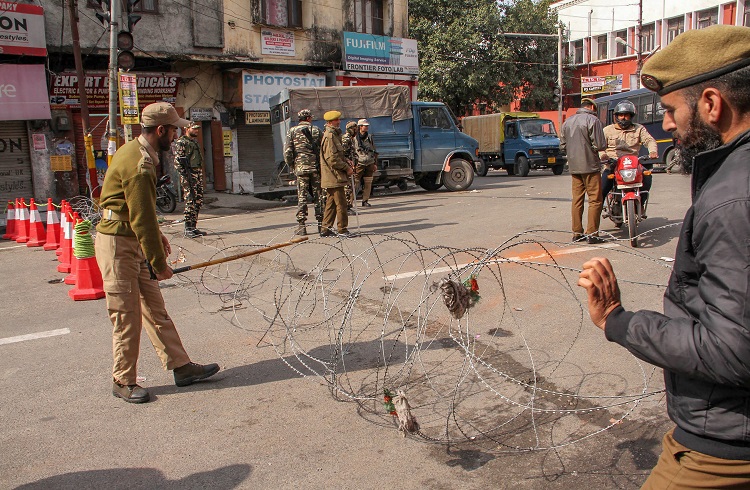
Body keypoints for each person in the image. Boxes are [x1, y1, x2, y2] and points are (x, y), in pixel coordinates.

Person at [578, 25, 750, 488]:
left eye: (672, 110)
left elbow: (733, 350)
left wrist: (617, 320)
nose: (667, 123)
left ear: (712, 104)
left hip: (725, 444)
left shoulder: (733, 199)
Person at [95, 102, 220, 404]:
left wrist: (157, 238)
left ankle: (181, 367)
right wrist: (159, 263)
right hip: (118, 246)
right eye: (174, 129)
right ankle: (122, 380)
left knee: (155, 309)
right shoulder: (140, 164)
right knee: (127, 316)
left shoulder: (140, 153)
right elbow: (139, 217)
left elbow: (141, 212)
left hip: (131, 239)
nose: (177, 135)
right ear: (161, 130)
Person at [559, 97, 607, 244]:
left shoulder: (567, 122)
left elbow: (562, 146)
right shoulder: (593, 121)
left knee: (577, 200)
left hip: (574, 167)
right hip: (591, 166)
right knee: (595, 200)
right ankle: (592, 233)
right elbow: (600, 145)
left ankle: (577, 233)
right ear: (592, 108)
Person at [599, 101, 658, 217]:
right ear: (616, 116)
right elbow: (599, 146)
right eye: (621, 115)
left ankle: (641, 202)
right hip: (612, 164)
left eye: (627, 115)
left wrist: (653, 151)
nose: (624, 118)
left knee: (647, 177)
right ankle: (598, 208)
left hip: (632, 164)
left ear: (631, 116)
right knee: (603, 187)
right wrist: (603, 156)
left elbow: (649, 140)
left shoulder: (639, 129)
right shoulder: (607, 130)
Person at [284, 109, 322, 236]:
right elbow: (323, 149)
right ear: (309, 118)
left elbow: (288, 152)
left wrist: (292, 165)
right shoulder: (316, 130)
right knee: (318, 195)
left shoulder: (292, 131)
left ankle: (302, 226)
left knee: (302, 196)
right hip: (315, 168)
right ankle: (321, 225)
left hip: (300, 168)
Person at [319, 110, 353, 237]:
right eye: (336, 120)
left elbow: (337, 155)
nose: (339, 122)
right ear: (330, 122)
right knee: (342, 204)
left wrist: (346, 160)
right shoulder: (330, 136)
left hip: (333, 175)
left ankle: (325, 228)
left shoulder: (334, 134)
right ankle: (342, 229)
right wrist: (346, 168)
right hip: (334, 175)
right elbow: (332, 159)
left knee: (331, 203)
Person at [173, 120, 205, 238]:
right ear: (187, 128)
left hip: (197, 173)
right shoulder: (182, 142)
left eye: (197, 129)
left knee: (198, 200)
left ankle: (193, 226)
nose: (196, 131)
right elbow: (177, 162)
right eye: (194, 129)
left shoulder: (193, 141)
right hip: (189, 174)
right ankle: (188, 228)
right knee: (190, 200)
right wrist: (185, 176)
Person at [353, 118, 378, 207]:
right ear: (360, 127)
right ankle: (350, 201)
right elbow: (352, 151)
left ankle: (365, 200)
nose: (366, 127)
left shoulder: (369, 137)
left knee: (368, 182)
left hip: (369, 162)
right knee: (355, 183)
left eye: (367, 126)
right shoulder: (354, 138)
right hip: (359, 163)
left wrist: (375, 164)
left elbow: (375, 151)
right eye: (365, 126)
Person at [342, 121, 357, 211]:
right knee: (347, 187)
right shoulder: (346, 139)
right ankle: (346, 206)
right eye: (355, 129)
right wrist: (348, 162)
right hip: (346, 166)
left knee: (350, 187)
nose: (356, 131)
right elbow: (343, 154)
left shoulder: (350, 138)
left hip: (350, 165)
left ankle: (348, 205)